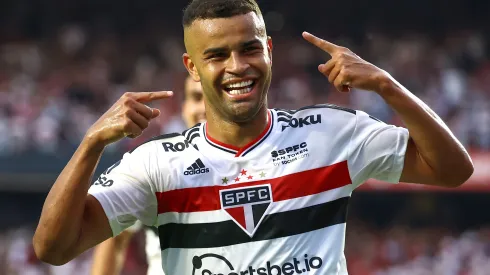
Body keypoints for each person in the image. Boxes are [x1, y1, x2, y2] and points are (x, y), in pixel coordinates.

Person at [33, 0, 474, 274]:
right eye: (217, 55)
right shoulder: (157, 165)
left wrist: (387, 85)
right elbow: (52, 248)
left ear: (268, 51)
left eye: (249, 48)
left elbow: (454, 170)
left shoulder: (333, 135)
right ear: (192, 68)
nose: (237, 66)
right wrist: (91, 142)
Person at [90, 75, 205, 275]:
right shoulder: (158, 163)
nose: (204, 108)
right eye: (197, 98)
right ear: (184, 108)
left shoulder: (257, 161)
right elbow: (115, 239)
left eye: (211, 98)